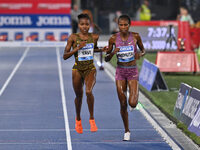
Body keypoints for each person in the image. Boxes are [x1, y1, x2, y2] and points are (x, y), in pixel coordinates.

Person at [63, 13, 106, 134]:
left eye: (87, 24)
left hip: (90, 69)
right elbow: (65, 56)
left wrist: (102, 49)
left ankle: (92, 119)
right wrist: (77, 48)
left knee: (88, 91)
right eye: (82, 24)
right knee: (79, 96)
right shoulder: (72, 37)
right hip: (77, 69)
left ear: (90, 25)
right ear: (78, 25)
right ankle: (78, 119)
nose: (85, 27)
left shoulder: (94, 37)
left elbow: (94, 49)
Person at [105, 14, 145, 141]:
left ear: (129, 25)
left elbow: (143, 50)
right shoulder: (112, 39)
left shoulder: (136, 37)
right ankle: (127, 130)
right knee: (122, 104)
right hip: (120, 72)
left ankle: (134, 100)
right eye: (121, 25)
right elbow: (106, 59)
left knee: (132, 103)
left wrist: (139, 54)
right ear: (118, 26)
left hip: (132, 71)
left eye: (125, 25)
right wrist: (112, 53)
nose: (123, 27)